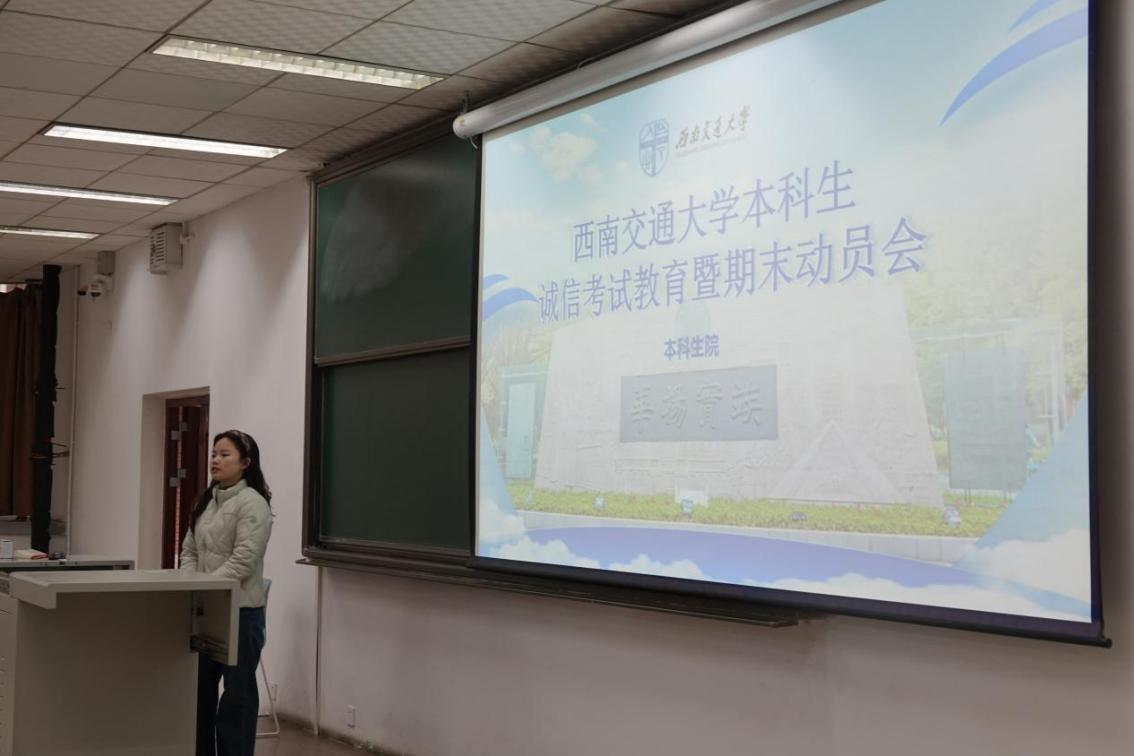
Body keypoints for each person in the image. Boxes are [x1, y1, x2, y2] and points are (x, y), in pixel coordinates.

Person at [181, 429, 273, 756]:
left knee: (237, 697)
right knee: (199, 693)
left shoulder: (253, 504)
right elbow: (189, 550)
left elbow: (243, 560)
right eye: (213, 454)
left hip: (240, 613)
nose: (215, 460)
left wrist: (205, 588)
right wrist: (190, 585)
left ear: (246, 462)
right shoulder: (207, 501)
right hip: (207, 611)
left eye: (224, 455)